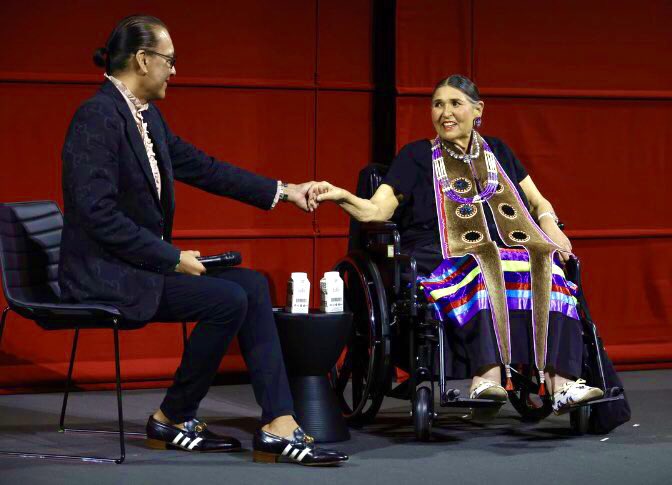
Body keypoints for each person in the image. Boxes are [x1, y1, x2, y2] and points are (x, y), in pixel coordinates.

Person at [59, 14, 347, 466]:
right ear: (141, 59)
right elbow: (96, 214)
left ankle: (278, 422)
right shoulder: (97, 117)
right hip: (103, 274)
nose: (175, 71)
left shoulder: (146, 117)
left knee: (251, 286)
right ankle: (173, 415)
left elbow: (203, 167)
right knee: (227, 300)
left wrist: (284, 191)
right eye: (169, 61)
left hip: (136, 265)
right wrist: (171, 257)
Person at [309, 74, 604, 419]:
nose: (445, 112)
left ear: (477, 110)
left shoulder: (499, 152)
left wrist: (550, 224)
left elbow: (538, 202)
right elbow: (377, 211)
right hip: (437, 251)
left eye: (455, 103)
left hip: (504, 246)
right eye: (437, 104)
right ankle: (486, 376)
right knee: (483, 263)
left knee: (545, 263)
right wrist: (343, 196)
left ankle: (561, 383)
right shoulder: (416, 155)